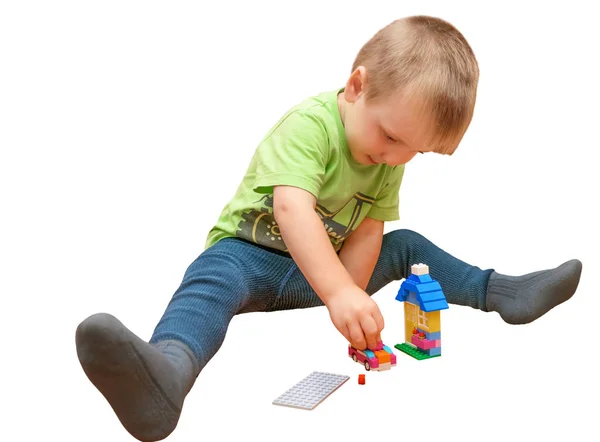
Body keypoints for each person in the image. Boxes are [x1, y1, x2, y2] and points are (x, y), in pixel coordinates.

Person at [75, 15, 582, 442]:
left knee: (405, 246)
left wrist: (353, 299)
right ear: (358, 86)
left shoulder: (388, 153)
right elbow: (294, 210)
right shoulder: (309, 126)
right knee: (210, 278)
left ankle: (500, 292)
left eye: (415, 151)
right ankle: (167, 375)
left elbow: (369, 228)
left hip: (314, 275)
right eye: (390, 137)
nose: (397, 157)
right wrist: (339, 291)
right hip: (250, 257)